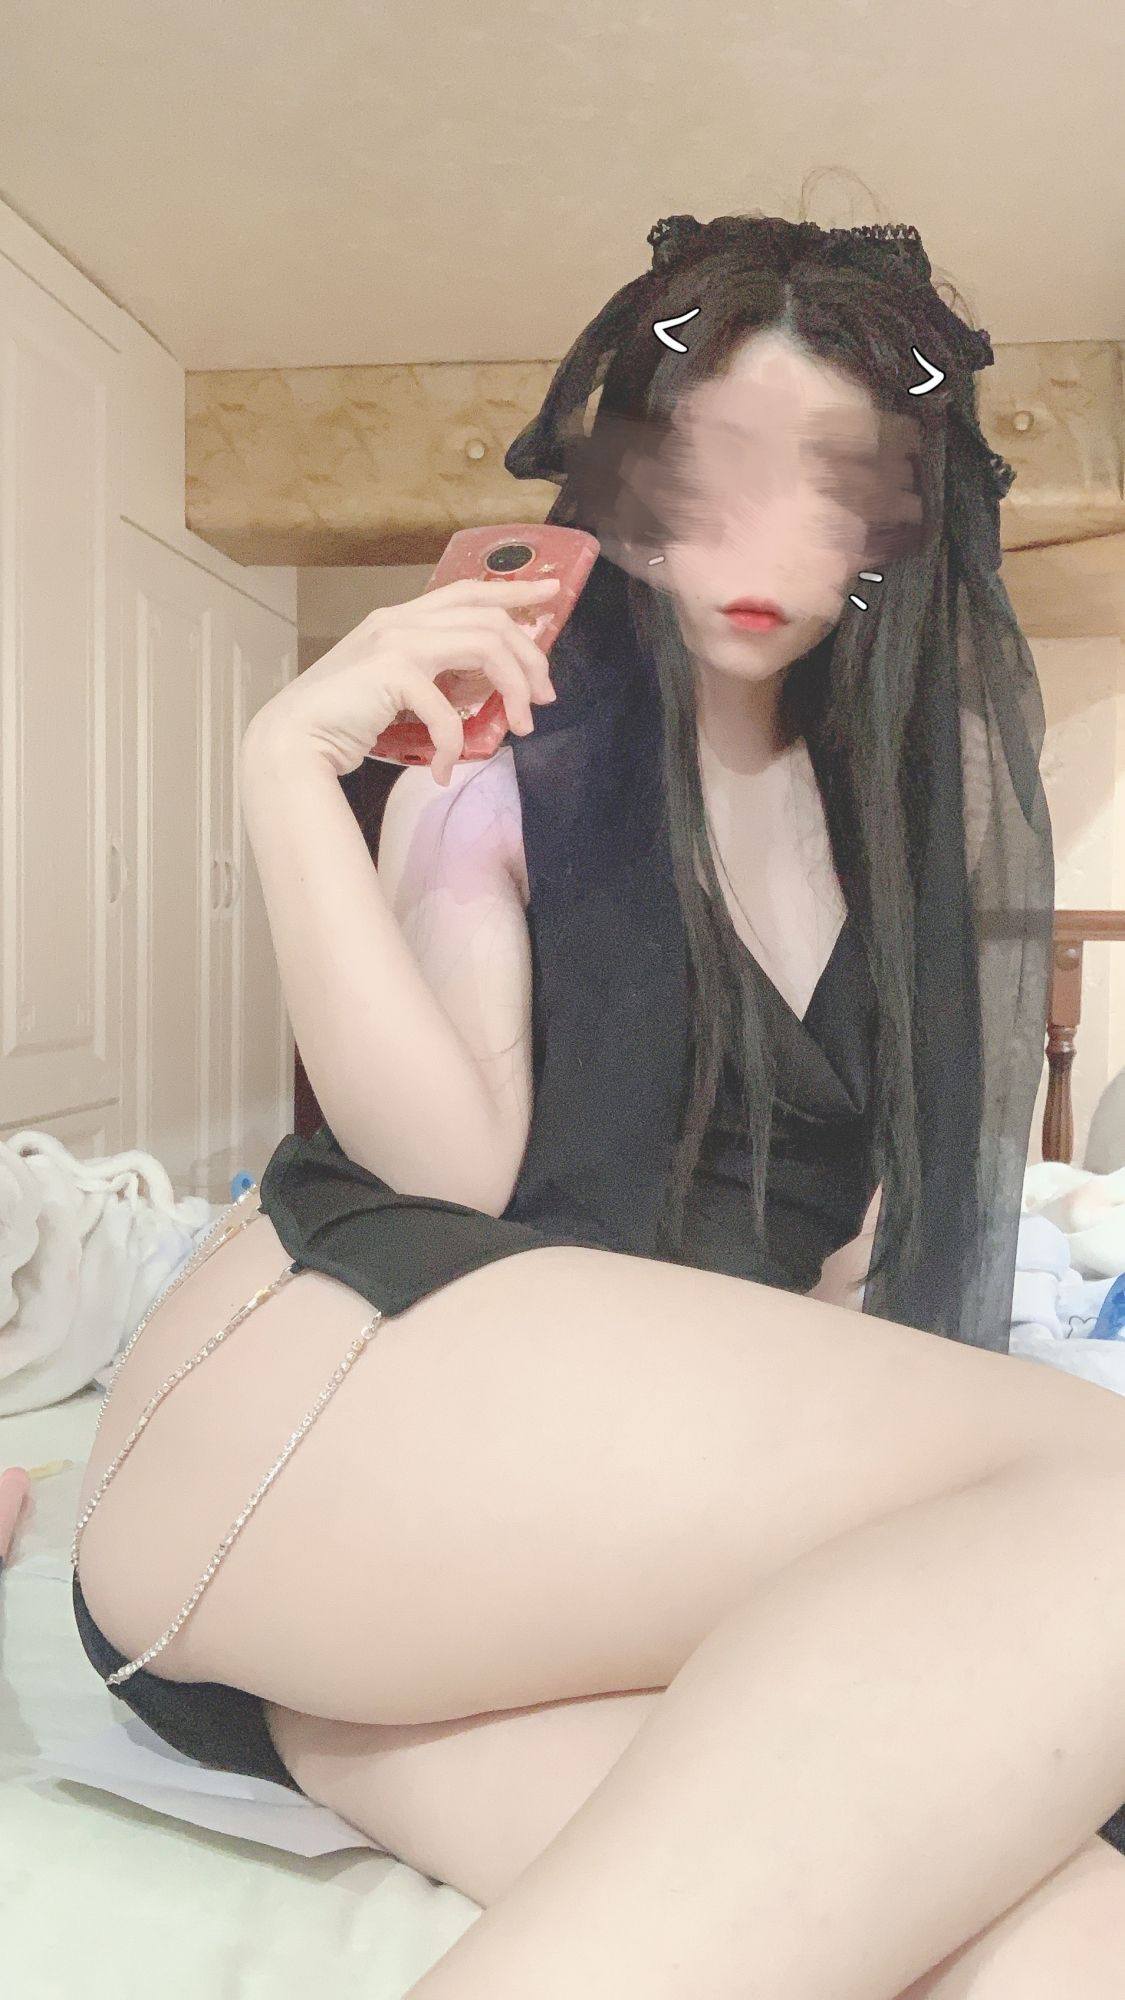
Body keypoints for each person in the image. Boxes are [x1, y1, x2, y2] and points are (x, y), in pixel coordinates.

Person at [70, 214, 1125, 2000]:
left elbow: (845, 1290)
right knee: (1095, 1498)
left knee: (1057, 1936)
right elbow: (443, 1170)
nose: (762, 540)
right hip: (316, 1405)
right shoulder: (514, 759)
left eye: (829, 485)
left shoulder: (894, 835)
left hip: (421, 1619)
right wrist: (285, 768)